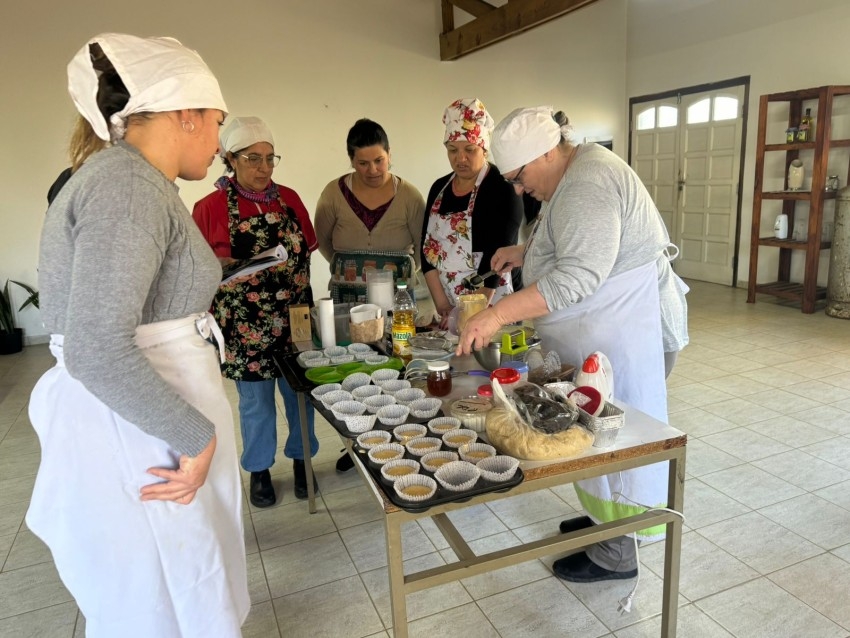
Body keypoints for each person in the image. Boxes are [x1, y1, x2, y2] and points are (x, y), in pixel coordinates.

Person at [27, 33, 249, 637]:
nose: (219, 142)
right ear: (186, 114)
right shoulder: (127, 187)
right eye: (217, 121)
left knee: (178, 595)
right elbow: (97, 345)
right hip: (138, 433)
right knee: (163, 604)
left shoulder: (135, 182)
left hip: (144, 422)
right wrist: (195, 436)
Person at [457, 106, 689, 583]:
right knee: (591, 430)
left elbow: (579, 275)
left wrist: (497, 314)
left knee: (614, 438)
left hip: (628, 332)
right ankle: (605, 523)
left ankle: (618, 552)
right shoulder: (572, 172)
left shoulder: (588, 182)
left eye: (518, 177)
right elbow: (577, 238)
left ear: (546, 152)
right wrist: (526, 252)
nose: (518, 189)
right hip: (607, 329)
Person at [193, 116, 320, 504]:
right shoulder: (210, 208)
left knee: (301, 395)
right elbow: (198, 273)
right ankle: (259, 469)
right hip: (245, 326)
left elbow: (307, 251)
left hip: (295, 319)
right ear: (231, 159)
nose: (264, 168)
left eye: (269, 158)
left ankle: (302, 461)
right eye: (253, 158)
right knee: (256, 403)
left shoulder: (290, 200)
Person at [315, 117, 425, 473]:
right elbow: (323, 241)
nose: (373, 170)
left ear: (390, 154)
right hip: (349, 302)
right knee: (353, 374)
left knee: (395, 370)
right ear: (351, 160)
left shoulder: (410, 197)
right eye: (363, 163)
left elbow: (423, 248)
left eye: (379, 160)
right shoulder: (333, 194)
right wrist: (353, 272)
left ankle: (398, 438)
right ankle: (359, 443)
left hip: (397, 303)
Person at [421, 97, 523, 329]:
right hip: (448, 306)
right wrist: (444, 307)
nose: (460, 158)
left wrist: (471, 316)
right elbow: (426, 252)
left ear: (484, 148)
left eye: (469, 149)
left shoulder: (503, 188)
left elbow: (496, 261)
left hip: (492, 303)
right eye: (452, 150)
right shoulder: (438, 188)